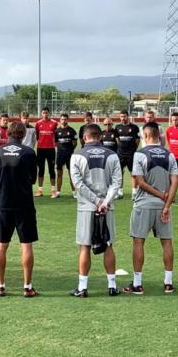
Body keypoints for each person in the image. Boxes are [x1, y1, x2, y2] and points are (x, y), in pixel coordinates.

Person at [69, 124, 124, 297]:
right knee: (108, 245)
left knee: (85, 246)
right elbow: (117, 182)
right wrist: (105, 201)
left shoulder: (77, 155)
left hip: (86, 207)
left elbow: (78, 184)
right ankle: (112, 286)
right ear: (101, 137)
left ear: (84, 138)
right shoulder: (112, 155)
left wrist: (96, 200)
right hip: (107, 208)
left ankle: (83, 288)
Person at [124, 123, 178, 295]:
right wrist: (167, 204)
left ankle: (138, 284)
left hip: (144, 204)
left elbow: (140, 182)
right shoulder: (169, 155)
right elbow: (175, 181)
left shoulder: (140, 154)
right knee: (167, 242)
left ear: (146, 135)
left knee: (139, 241)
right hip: (163, 206)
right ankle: (168, 283)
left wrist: (161, 196)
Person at [0, 121, 40, 297]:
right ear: (24, 134)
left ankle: (0, 285)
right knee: (26, 245)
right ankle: (27, 287)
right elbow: (33, 178)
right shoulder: (28, 152)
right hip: (24, 203)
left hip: (3, 203)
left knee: (1, 245)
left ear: (7, 133)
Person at [114, 110, 140, 199]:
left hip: (131, 154)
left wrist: (133, 149)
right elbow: (117, 139)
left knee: (133, 173)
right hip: (120, 154)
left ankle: (134, 192)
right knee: (119, 173)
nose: (123, 118)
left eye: (124, 116)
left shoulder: (134, 127)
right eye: (121, 116)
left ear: (128, 116)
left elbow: (137, 140)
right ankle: (120, 192)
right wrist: (121, 147)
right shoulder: (117, 127)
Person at [34, 107, 58, 197]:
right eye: (43, 113)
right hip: (40, 149)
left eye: (47, 113)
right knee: (41, 169)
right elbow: (37, 136)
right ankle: (40, 190)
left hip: (51, 149)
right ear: (41, 114)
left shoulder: (54, 123)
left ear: (49, 113)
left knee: (52, 170)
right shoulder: (38, 123)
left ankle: (53, 190)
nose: (45, 114)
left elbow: (56, 136)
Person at [54, 113, 78, 198]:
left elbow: (75, 143)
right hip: (60, 155)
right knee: (59, 173)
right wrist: (61, 149)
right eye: (62, 119)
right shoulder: (57, 131)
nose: (64, 121)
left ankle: (74, 192)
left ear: (68, 120)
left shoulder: (72, 131)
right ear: (60, 120)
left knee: (71, 173)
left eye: (65, 119)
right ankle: (58, 192)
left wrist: (70, 150)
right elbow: (56, 142)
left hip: (69, 155)